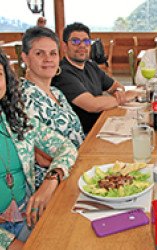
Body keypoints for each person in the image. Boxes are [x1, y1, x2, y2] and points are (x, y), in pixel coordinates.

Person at [0, 48, 77, 249]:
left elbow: (66, 147)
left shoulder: (15, 118)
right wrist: (10, 244)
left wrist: (51, 180)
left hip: (28, 217)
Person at [20, 26, 84, 187]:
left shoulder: (56, 92)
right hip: (55, 183)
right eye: (39, 53)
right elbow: (41, 157)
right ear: (25, 58)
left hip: (77, 168)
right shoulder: (25, 97)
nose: (48, 59)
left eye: (53, 53)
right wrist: (79, 169)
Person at [52, 22, 139, 134]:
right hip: (85, 135)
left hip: (101, 124)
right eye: (75, 41)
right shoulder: (62, 73)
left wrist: (118, 91)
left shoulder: (91, 66)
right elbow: (92, 105)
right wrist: (124, 97)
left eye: (86, 41)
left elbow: (116, 86)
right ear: (64, 46)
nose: (82, 45)